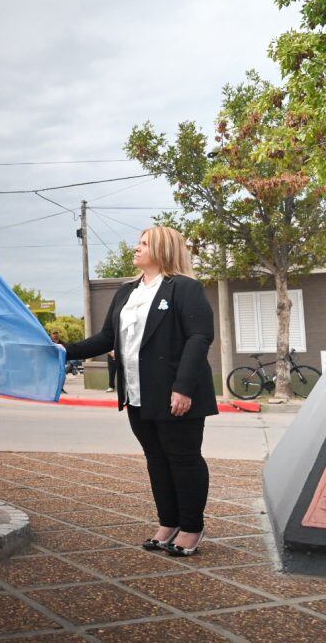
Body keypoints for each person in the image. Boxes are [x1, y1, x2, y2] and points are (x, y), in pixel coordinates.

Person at [63, 226, 216, 557]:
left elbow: (199, 337)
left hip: (175, 392)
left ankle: (191, 526)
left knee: (184, 459)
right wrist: (65, 350)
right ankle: (168, 522)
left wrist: (183, 387)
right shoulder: (126, 292)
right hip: (136, 393)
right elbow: (107, 338)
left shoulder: (185, 289)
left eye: (144, 243)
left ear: (161, 249)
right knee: (157, 459)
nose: (136, 248)